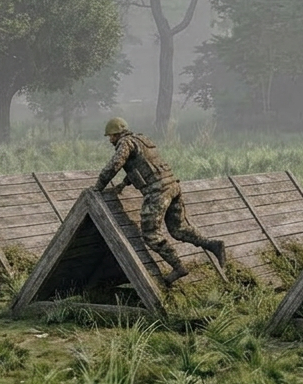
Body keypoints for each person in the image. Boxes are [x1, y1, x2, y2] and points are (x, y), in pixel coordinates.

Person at [94, 117, 227, 285]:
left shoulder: (125, 143)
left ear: (116, 134)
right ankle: (213, 245)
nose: (110, 140)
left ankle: (178, 267)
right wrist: (123, 184)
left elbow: (114, 165)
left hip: (157, 192)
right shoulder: (141, 140)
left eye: (110, 137)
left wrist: (98, 187)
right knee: (179, 229)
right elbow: (142, 166)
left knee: (150, 234)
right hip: (172, 186)